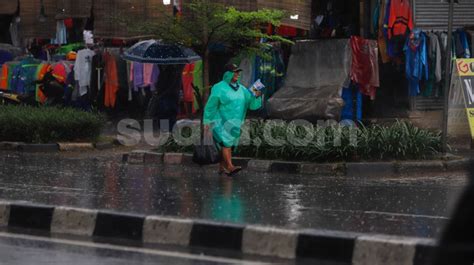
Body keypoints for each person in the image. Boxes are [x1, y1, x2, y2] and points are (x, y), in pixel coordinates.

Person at [203, 63, 262, 176]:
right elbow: (211, 106)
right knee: (226, 143)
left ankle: (221, 167)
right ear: (227, 74)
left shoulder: (243, 89)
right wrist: (207, 121)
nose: (237, 74)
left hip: (235, 123)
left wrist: (257, 95)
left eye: (238, 72)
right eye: (234, 72)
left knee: (228, 144)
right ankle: (230, 166)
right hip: (220, 121)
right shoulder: (219, 87)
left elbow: (252, 105)